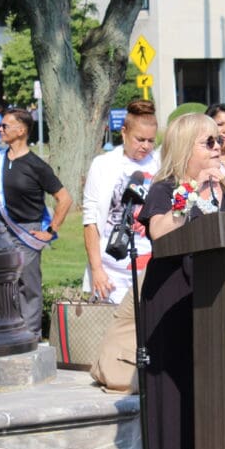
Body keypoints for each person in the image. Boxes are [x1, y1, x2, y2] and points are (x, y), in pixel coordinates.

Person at [138, 112, 225, 449]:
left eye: (221, 141)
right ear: (186, 148)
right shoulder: (165, 189)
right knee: (175, 389)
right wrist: (190, 197)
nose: (220, 148)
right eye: (210, 142)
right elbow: (160, 233)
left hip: (217, 301)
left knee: (212, 391)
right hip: (173, 302)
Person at [0, 107, 72, 338]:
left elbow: (64, 198)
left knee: (28, 285)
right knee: (1, 284)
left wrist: (50, 230)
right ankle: (5, 330)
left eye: (5, 126)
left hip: (27, 232)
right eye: (0, 125)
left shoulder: (36, 165)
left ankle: (30, 334)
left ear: (21, 130)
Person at [82, 99, 159, 303]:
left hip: (151, 264)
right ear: (123, 132)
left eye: (151, 141)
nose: (145, 146)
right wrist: (96, 269)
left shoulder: (161, 165)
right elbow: (90, 221)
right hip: (111, 270)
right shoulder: (103, 164)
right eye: (139, 139)